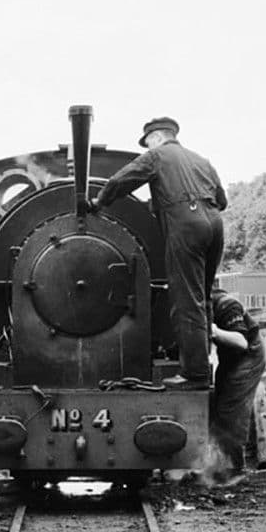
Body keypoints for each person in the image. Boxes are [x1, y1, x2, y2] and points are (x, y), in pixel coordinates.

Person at [91, 116, 226, 388]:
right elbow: (222, 200)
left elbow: (121, 180)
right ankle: (203, 367)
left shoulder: (156, 156)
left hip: (186, 224)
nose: (147, 146)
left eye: (147, 141)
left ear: (155, 137)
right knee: (202, 296)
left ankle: (195, 375)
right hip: (214, 224)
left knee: (186, 299)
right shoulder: (201, 160)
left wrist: (99, 201)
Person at [208, 286, 266, 480]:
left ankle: (235, 470)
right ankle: (222, 463)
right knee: (219, 405)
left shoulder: (227, 305)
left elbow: (241, 342)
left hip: (247, 358)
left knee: (230, 411)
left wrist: (214, 331)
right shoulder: (214, 304)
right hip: (230, 359)